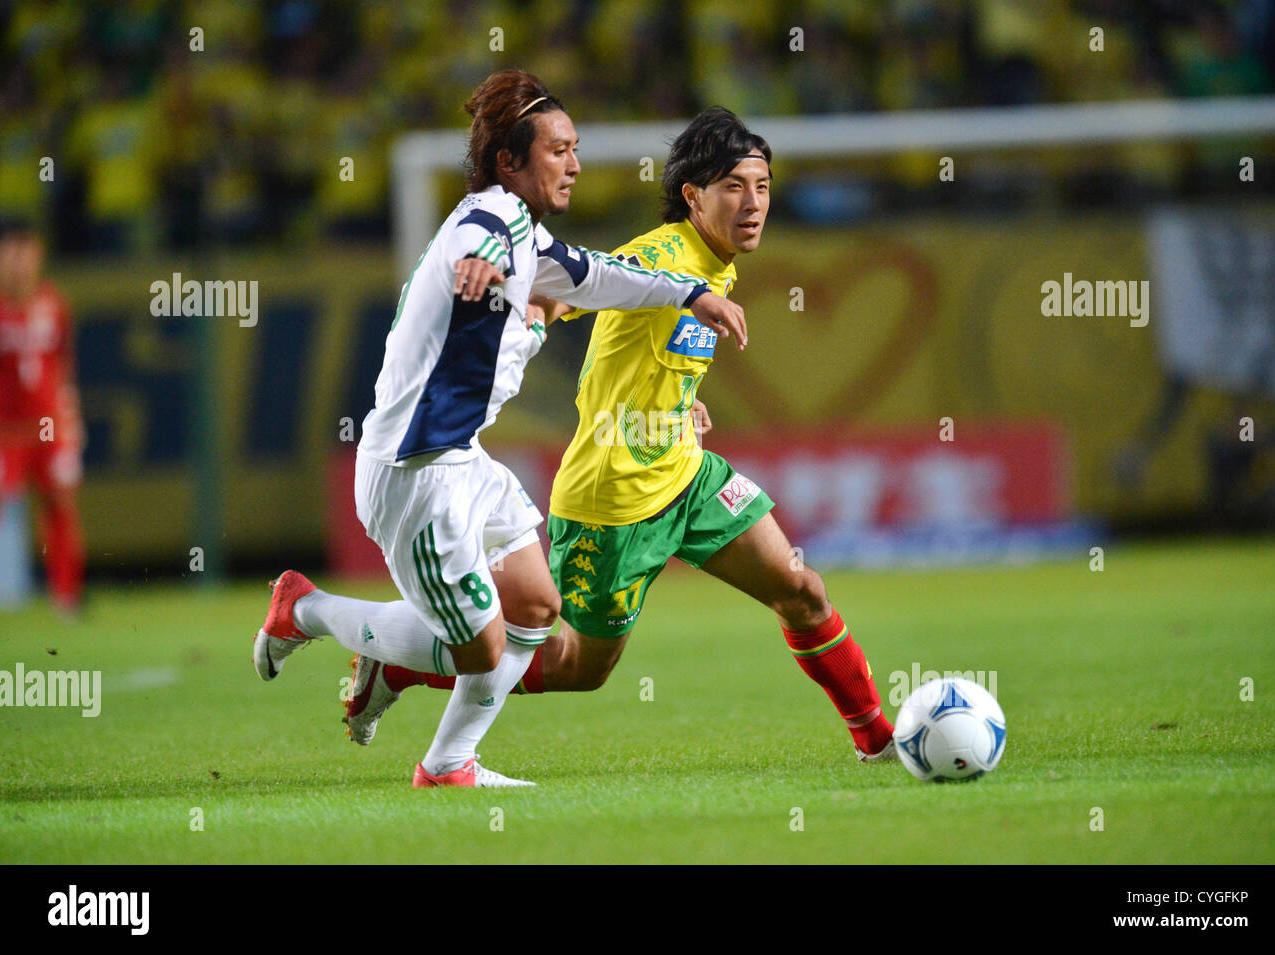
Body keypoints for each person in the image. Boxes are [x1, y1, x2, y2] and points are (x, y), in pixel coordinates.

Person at [344, 108, 897, 765]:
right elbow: (556, 292)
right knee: (580, 665)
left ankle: (881, 743)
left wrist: (679, 404)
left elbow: (657, 353)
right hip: (615, 498)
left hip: (686, 475)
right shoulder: (659, 257)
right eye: (734, 187)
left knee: (801, 590)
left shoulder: (716, 263)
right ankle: (400, 666)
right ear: (693, 196)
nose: (753, 204)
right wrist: (514, 295)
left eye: (763, 186)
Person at [252, 71, 746, 789]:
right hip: (413, 474)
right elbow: (487, 236)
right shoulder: (493, 218)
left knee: (537, 605)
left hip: (463, 462)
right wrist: (485, 257)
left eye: (575, 149)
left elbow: (604, 274)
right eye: (557, 150)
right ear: (510, 163)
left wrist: (691, 292)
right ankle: (307, 608)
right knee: (481, 649)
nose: (574, 163)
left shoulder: (531, 242)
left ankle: (449, 764)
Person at [0, 220, 86, 614]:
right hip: (4, 431)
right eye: (11, 252)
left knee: (60, 504)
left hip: (50, 427)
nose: (19, 262)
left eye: (26, 251)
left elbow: (63, 366)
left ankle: (66, 598)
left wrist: (71, 417)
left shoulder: (54, 304)